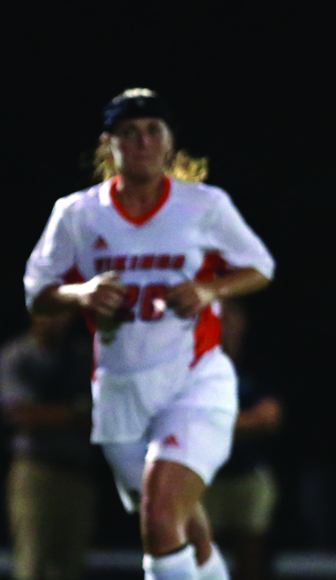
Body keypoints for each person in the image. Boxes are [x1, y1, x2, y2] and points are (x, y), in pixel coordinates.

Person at [23, 88, 275, 580]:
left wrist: (206, 291)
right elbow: (37, 293)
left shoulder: (203, 204)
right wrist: (82, 293)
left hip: (194, 382)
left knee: (159, 518)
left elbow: (259, 267)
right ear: (109, 143)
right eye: (129, 133)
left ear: (169, 141)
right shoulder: (77, 213)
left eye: (153, 130)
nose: (142, 141)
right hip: (120, 391)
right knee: (183, 527)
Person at [0, 313, 95, 580]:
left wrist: (59, 414)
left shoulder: (82, 357)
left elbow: (103, 417)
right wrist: (77, 411)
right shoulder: (18, 356)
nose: (55, 321)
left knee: (70, 566)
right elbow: (24, 417)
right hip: (36, 471)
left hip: (78, 474)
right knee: (33, 562)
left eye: (62, 314)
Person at [202, 300, 282, 580]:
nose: (225, 325)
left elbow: (269, 420)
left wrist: (214, 421)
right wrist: (244, 421)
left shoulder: (258, 367)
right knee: (203, 560)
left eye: (231, 317)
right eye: (218, 318)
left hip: (249, 474)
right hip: (205, 478)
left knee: (251, 564)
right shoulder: (194, 369)